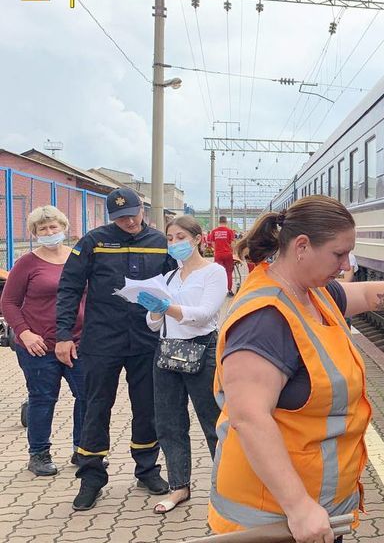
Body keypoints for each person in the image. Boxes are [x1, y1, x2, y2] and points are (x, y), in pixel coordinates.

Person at [208, 195, 384, 542]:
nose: (345, 265)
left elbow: (369, 295)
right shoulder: (263, 320)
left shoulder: (314, 293)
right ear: (302, 247)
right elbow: (249, 418)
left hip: (316, 514)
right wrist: (299, 506)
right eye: (338, 254)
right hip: (271, 521)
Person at [56, 187, 176, 511]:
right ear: (112, 217)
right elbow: (69, 287)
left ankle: (147, 469)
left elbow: (177, 284)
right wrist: (63, 334)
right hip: (101, 340)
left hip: (146, 339)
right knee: (96, 407)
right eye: (121, 218)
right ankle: (91, 477)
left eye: (133, 215)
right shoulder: (94, 242)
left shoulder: (160, 242)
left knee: (147, 407)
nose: (129, 222)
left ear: (143, 211)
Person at [136, 216, 227, 514]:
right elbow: (153, 324)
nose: (174, 243)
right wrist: (154, 310)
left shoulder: (214, 272)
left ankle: (227, 487)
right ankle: (179, 486)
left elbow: (204, 314)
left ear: (197, 239)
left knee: (213, 421)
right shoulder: (169, 277)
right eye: (170, 238)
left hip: (201, 351)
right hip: (167, 352)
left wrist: (168, 308)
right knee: (169, 423)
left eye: (180, 237)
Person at [1, 206, 85, 477]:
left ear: (64, 228)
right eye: (43, 229)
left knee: (87, 396)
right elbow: (8, 302)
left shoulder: (79, 259)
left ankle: (83, 450)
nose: (49, 232)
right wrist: (24, 333)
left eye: (53, 227)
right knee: (43, 398)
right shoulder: (27, 263)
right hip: (38, 346)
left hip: (77, 343)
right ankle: (39, 454)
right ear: (34, 233)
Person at [210, 216, 237, 295]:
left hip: (218, 254)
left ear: (219, 222)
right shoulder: (230, 231)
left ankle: (219, 291)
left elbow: (213, 244)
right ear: (226, 222)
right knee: (228, 273)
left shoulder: (214, 231)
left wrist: (217, 249)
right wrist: (234, 253)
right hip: (228, 254)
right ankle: (229, 290)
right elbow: (232, 244)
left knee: (218, 273)